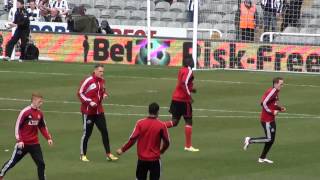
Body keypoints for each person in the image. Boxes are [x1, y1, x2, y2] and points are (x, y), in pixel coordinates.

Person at [0, 93, 53, 180]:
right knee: (12, 162)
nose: (41, 103)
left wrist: (48, 138)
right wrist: (19, 140)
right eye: (40, 101)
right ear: (34, 101)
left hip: (34, 144)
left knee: (41, 163)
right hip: (23, 144)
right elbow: (17, 127)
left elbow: (42, 126)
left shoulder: (40, 113)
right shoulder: (25, 112)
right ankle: (1, 174)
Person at [116, 102, 170, 180]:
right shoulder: (161, 125)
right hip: (155, 160)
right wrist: (162, 150)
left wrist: (122, 149)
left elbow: (132, 139)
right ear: (158, 112)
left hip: (142, 160)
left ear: (148, 111)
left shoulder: (140, 123)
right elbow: (167, 142)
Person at [77, 64, 118, 162]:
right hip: (88, 111)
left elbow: (102, 91)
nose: (101, 73)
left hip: (99, 111)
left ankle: (108, 154)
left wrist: (105, 94)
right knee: (87, 133)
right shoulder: (88, 80)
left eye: (103, 71)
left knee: (104, 131)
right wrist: (89, 102)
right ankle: (83, 155)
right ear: (95, 71)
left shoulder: (102, 81)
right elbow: (80, 93)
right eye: (100, 71)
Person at [243, 77, 286, 164]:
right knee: (269, 139)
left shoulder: (276, 92)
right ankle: (250, 140)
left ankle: (262, 158)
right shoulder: (272, 91)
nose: (282, 85)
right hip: (266, 120)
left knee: (271, 140)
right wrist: (272, 111)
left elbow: (273, 104)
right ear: (275, 84)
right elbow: (263, 103)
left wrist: (279, 108)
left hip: (271, 119)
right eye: (281, 84)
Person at [164, 58, 199, 152]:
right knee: (189, 121)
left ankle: (157, 126)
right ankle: (188, 146)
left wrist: (191, 89)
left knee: (174, 122)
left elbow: (183, 84)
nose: (193, 62)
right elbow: (183, 83)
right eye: (192, 60)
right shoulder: (188, 71)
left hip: (176, 98)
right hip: (184, 100)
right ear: (188, 63)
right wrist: (189, 96)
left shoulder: (182, 70)